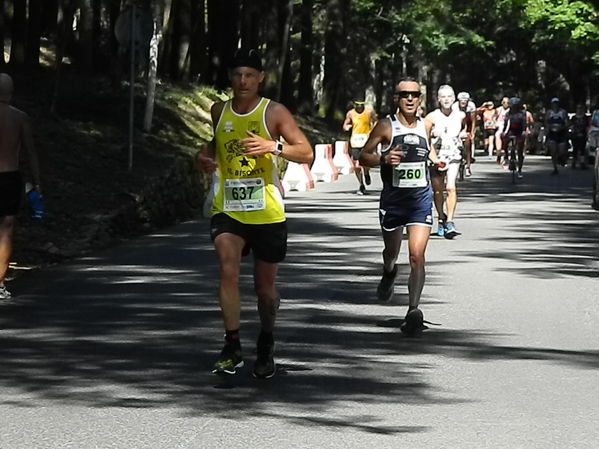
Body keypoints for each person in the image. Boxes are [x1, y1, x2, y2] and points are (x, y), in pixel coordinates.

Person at [196, 49, 313, 378]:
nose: (243, 81)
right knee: (227, 270)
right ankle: (232, 346)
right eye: (237, 75)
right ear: (230, 78)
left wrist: (272, 147)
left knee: (264, 291)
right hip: (228, 208)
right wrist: (203, 158)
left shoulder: (273, 112)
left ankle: (266, 338)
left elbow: (305, 152)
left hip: (266, 211)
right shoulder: (219, 110)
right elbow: (214, 144)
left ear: (261, 78)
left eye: (249, 75)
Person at [359, 77, 444, 335]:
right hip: (394, 201)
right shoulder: (386, 126)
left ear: (420, 99)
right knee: (392, 253)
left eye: (414, 94)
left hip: (420, 199)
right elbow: (363, 156)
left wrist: (436, 161)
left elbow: (427, 151)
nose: (409, 98)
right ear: (396, 98)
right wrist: (383, 159)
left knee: (417, 256)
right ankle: (389, 271)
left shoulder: (427, 125)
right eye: (404, 94)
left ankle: (413, 310)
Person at [0, 73, 41, 300]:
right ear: (11, 92)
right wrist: (36, 182)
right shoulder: (20, 118)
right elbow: (30, 152)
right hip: (9, 177)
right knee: (6, 229)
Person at [425, 85, 465, 239]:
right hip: (437, 156)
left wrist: (464, 134)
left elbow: (466, 127)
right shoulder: (431, 117)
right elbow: (425, 138)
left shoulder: (460, 115)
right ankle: (441, 216)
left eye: (449, 96)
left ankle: (450, 221)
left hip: (454, 154)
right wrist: (433, 134)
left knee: (451, 187)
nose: (447, 99)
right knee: (437, 190)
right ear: (438, 99)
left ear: (454, 98)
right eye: (443, 97)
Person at [343, 99, 377, 194]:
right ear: (354, 105)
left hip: (366, 140)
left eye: (361, 105)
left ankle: (366, 173)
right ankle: (361, 185)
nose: (359, 107)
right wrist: (347, 127)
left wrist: (373, 130)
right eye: (357, 105)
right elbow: (345, 124)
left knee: (365, 163)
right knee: (356, 166)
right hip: (355, 141)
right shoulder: (350, 113)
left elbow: (375, 122)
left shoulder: (369, 112)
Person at [502, 97, 527, 178]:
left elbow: (524, 124)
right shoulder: (508, 114)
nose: (513, 107)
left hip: (519, 131)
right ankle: (506, 154)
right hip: (511, 130)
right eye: (512, 105)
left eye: (515, 106)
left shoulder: (522, 113)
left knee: (520, 149)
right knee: (505, 140)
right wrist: (504, 133)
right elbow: (506, 125)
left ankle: (519, 169)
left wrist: (523, 132)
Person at [544, 97, 570, 175]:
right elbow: (546, 122)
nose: (555, 105)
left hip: (561, 133)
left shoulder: (563, 112)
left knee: (561, 150)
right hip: (552, 133)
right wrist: (548, 129)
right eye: (554, 103)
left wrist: (562, 128)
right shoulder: (549, 112)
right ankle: (555, 168)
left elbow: (566, 122)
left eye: (556, 103)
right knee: (553, 151)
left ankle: (561, 158)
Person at [454, 92, 476, 177]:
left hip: (468, 123)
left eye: (465, 102)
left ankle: (468, 166)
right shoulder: (454, 107)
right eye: (461, 102)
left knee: (468, 143)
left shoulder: (471, 106)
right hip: (457, 124)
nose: (463, 104)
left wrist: (472, 132)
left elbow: (473, 120)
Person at [569, 104, 589, 169]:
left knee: (582, 149)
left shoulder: (585, 117)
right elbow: (571, 126)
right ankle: (573, 162)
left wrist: (587, 134)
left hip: (583, 135)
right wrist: (573, 132)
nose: (579, 110)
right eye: (578, 108)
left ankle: (582, 163)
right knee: (575, 149)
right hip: (575, 136)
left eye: (580, 108)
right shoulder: (574, 117)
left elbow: (587, 127)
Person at [494, 97, 510, 166]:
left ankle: (507, 155)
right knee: (497, 136)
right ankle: (499, 154)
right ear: (502, 103)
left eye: (507, 102)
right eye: (504, 102)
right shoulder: (498, 110)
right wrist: (495, 124)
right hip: (500, 127)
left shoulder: (511, 110)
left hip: (508, 127)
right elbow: (494, 118)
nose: (505, 104)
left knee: (507, 142)